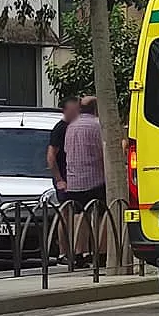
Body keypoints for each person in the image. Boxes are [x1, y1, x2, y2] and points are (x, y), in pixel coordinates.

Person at [63, 96, 106, 266]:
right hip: (95, 179)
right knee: (102, 216)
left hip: (74, 180)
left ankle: (77, 253)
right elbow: (102, 153)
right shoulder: (97, 126)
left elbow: (67, 152)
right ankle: (100, 253)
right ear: (96, 109)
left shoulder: (71, 127)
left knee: (78, 217)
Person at [47, 96, 81, 198]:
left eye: (78, 110)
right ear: (65, 111)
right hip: (64, 177)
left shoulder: (78, 127)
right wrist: (59, 180)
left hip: (77, 178)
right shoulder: (60, 129)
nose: (76, 113)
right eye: (73, 110)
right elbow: (51, 155)